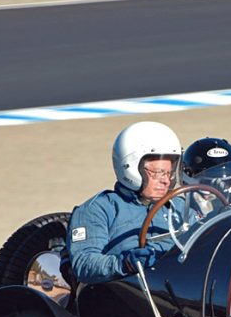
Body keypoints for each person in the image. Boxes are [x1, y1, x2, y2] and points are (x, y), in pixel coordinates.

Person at [66, 121, 183, 284]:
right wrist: (125, 263)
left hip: (182, 290)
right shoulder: (98, 209)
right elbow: (84, 264)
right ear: (130, 167)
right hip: (126, 296)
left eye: (169, 173)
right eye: (157, 173)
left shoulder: (181, 206)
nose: (165, 181)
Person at [181, 137, 231, 217]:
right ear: (187, 181)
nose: (219, 192)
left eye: (226, 183)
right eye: (207, 184)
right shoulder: (175, 216)